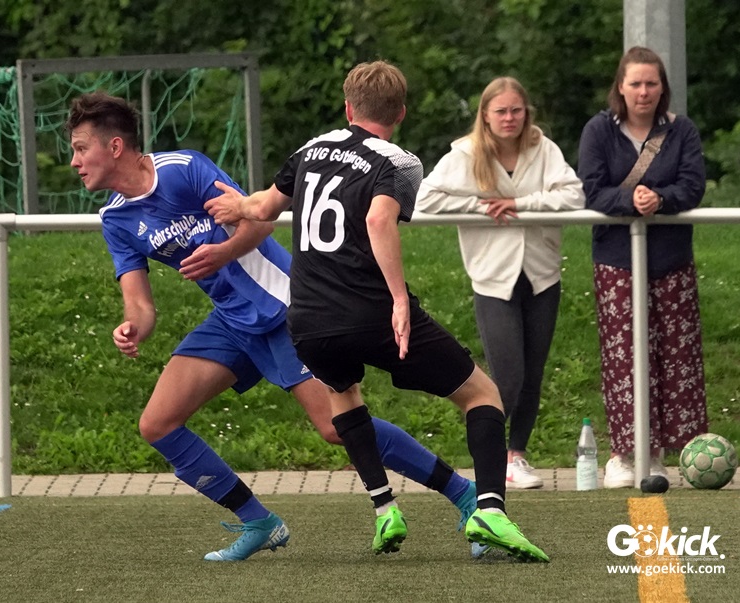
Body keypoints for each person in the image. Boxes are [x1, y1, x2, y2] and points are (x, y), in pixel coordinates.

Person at [64, 91, 484, 562]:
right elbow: (140, 305)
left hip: (285, 308)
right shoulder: (116, 219)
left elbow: (260, 219)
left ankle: (465, 494)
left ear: (115, 146)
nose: (75, 161)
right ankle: (259, 522)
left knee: (335, 428)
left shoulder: (183, 169)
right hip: (231, 321)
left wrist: (224, 252)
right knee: (158, 424)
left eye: (81, 148)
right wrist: (132, 327)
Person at [205, 61, 549, 562]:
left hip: (308, 319)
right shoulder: (401, 161)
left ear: (348, 108)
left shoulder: (312, 148)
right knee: (482, 394)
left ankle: (385, 508)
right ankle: (490, 510)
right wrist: (400, 299)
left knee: (342, 393)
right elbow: (379, 219)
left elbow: (262, 209)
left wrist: (237, 207)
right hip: (370, 311)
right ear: (401, 113)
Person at [416, 77, 586, 489]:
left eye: (516, 110)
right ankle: (487, 456)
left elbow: (574, 196)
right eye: (501, 111)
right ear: (486, 116)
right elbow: (426, 198)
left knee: (532, 374)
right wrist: (480, 205)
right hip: (493, 277)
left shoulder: (543, 148)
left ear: (527, 113)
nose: (510, 118)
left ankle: (516, 455)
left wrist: (519, 205)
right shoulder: (466, 153)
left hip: (542, 274)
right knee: (507, 375)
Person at [577, 46, 708, 489]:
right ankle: (624, 453)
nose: (644, 91)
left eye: (652, 83)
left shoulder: (681, 130)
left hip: (671, 259)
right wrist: (629, 199)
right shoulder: (598, 130)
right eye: (636, 83)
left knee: (676, 357)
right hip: (617, 261)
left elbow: (692, 185)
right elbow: (591, 189)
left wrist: (660, 199)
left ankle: (667, 453)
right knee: (624, 357)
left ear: (662, 87)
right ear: (621, 87)